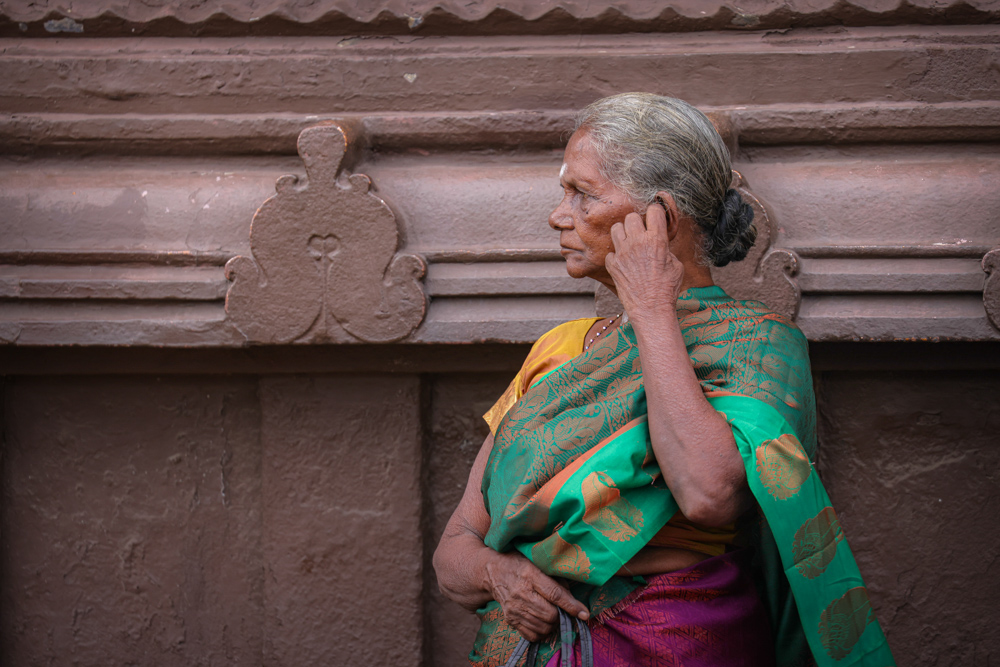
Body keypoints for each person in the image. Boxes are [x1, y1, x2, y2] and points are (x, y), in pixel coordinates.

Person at [433, 93, 894, 667]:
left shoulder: (757, 345)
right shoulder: (560, 350)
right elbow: (454, 552)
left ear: (660, 218)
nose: (559, 214)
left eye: (583, 193)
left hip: (681, 645)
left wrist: (650, 307)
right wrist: (498, 573)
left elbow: (709, 495)